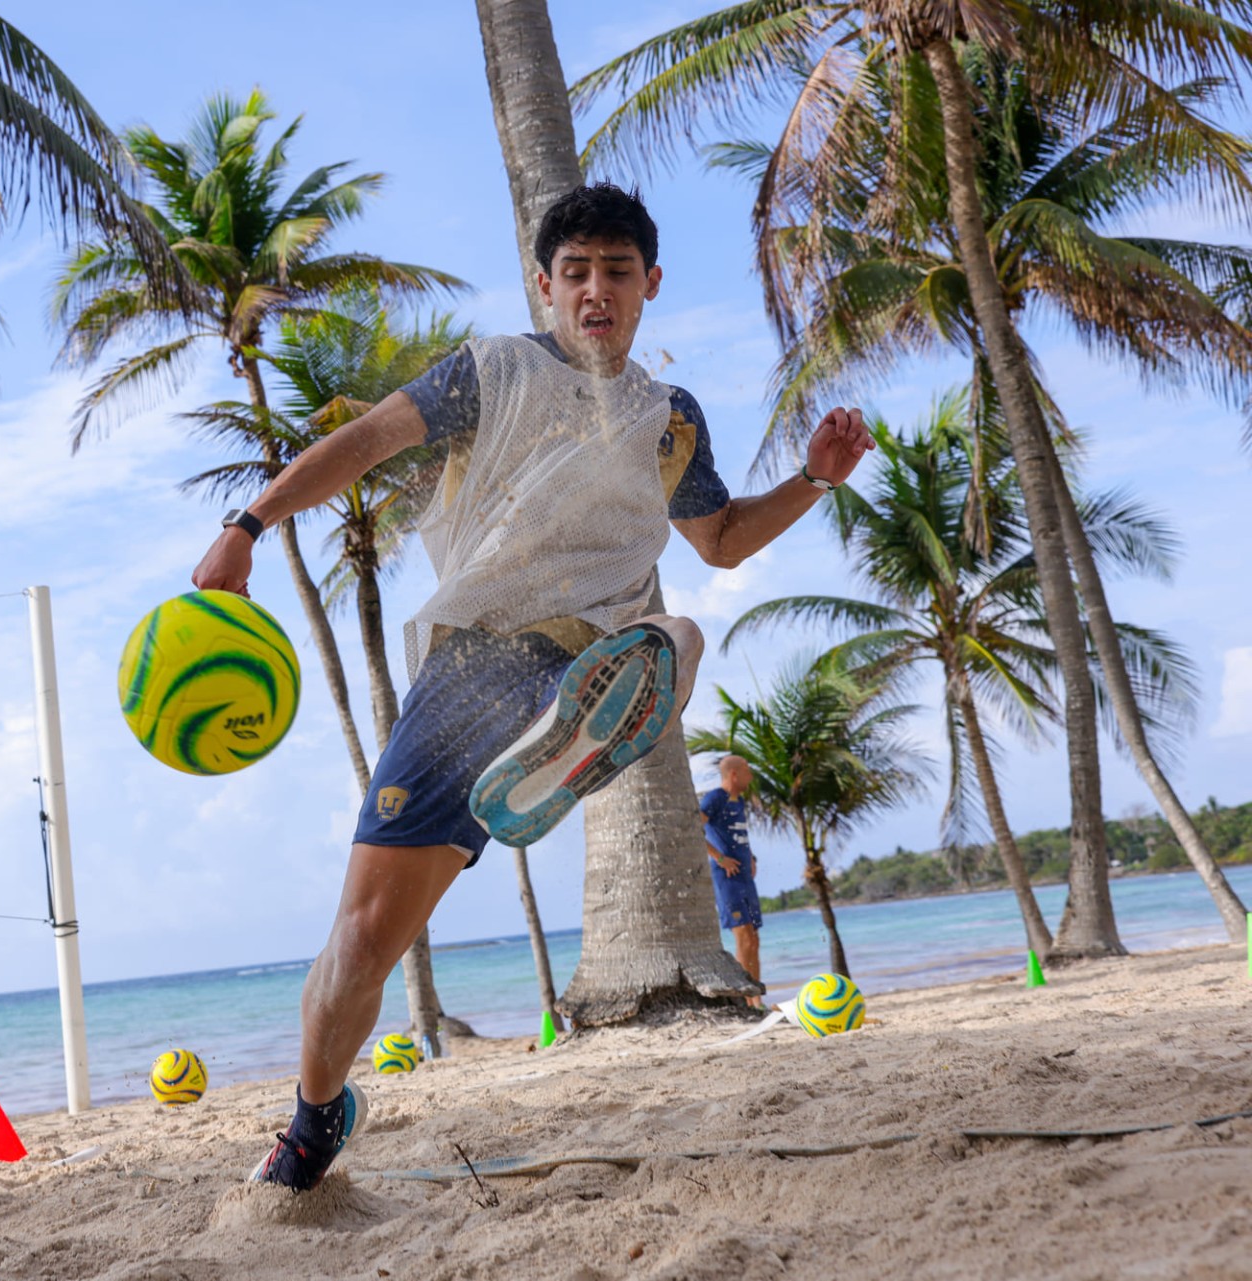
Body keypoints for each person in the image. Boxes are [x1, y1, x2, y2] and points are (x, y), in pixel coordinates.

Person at [190, 183, 874, 1191]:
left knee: (678, 633)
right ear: (544, 284)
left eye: (617, 271)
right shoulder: (492, 371)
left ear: (649, 285)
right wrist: (247, 525)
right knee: (362, 944)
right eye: (577, 272)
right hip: (470, 671)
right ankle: (315, 1116)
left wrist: (813, 479)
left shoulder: (670, 418)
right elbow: (367, 441)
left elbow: (722, 541)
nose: (597, 290)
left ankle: (572, 731)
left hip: (594, 655)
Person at [701, 755, 763, 1005]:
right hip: (727, 879)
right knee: (744, 938)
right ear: (734, 774)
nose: (751, 776)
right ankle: (745, 1002)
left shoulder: (739, 801)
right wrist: (719, 858)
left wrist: (751, 857)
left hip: (745, 877)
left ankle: (756, 1001)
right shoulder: (715, 798)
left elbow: (740, 836)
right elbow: (694, 827)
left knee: (754, 939)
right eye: (747, 770)